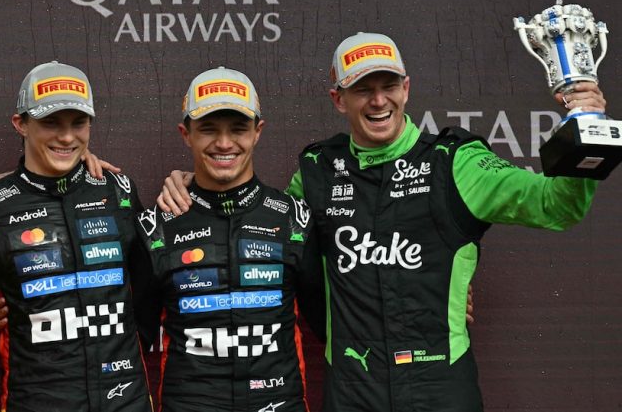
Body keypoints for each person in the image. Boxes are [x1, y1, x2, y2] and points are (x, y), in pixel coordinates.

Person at [159, 32, 605, 411]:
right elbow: (264, 221)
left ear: (406, 88)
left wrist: (587, 130)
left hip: (439, 385)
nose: (378, 100)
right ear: (339, 99)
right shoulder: (315, 172)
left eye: (388, 84)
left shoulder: (456, 162)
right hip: (353, 388)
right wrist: (192, 187)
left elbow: (558, 206)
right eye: (361, 88)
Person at [0, 61, 153, 412]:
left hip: (125, 398)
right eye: (51, 122)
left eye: (78, 123)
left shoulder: (119, 192)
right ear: (21, 124)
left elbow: (150, 289)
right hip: (35, 400)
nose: (66, 137)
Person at [134, 67, 322, 412]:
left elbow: (334, 323)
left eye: (238, 128)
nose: (224, 143)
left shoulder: (295, 218)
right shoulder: (156, 225)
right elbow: (129, 340)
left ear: (257, 132)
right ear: (186, 134)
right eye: (208, 129)